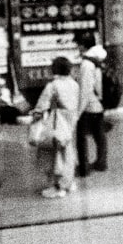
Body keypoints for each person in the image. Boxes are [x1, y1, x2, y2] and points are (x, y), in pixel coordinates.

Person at [33, 56, 80, 198]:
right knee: (69, 151)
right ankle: (69, 182)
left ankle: (58, 186)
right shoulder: (74, 84)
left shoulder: (53, 85)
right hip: (71, 120)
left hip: (57, 122)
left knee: (54, 154)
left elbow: (42, 105)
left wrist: (36, 115)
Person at [75, 31, 107, 177]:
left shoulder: (87, 64)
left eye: (78, 43)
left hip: (89, 106)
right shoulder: (98, 57)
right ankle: (101, 163)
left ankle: (84, 168)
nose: (76, 46)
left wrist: (78, 111)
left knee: (81, 138)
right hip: (99, 103)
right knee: (99, 135)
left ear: (82, 45)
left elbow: (85, 90)